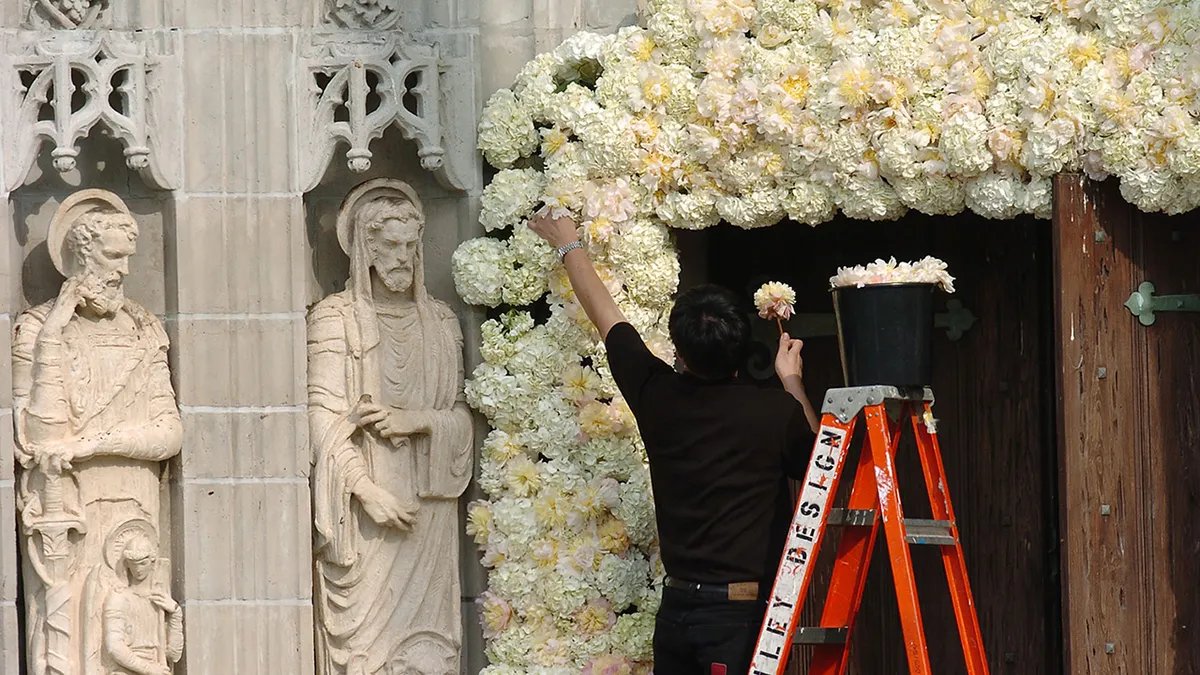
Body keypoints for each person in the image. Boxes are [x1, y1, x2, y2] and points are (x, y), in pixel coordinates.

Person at [528, 212, 821, 675]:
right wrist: (792, 382)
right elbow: (816, 463)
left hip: (678, 608)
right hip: (740, 617)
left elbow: (607, 316)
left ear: (679, 354)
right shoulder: (774, 412)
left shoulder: (658, 394)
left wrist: (567, 242)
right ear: (744, 349)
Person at [308, 179, 474, 675]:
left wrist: (418, 421)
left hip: (429, 511)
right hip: (365, 515)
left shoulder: (441, 323)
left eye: (410, 245)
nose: (403, 257)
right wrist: (366, 492)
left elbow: (463, 416)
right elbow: (321, 419)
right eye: (391, 246)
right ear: (367, 249)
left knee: (428, 653)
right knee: (363, 656)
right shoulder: (334, 319)